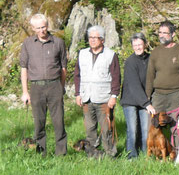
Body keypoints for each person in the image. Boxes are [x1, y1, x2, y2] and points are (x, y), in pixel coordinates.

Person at [19, 13, 68, 156]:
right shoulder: (28, 44)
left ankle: (61, 154)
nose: (42, 30)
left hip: (54, 86)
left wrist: (61, 87)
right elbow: (24, 69)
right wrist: (25, 92)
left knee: (58, 121)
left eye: (44, 26)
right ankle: (41, 153)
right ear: (33, 28)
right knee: (39, 122)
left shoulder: (58, 42)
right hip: (36, 87)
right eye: (39, 28)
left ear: (47, 26)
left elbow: (63, 68)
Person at [75, 25, 121, 157]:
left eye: (96, 38)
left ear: (102, 39)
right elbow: (77, 75)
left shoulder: (110, 55)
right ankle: (92, 153)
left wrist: (114, 96)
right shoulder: (82, 54)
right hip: (86, 98)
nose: (92, 40)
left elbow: (116, 77)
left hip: (104, 99)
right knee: (90, 129)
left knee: (106, 129)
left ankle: (110, 154)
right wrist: (78, 94)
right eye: (90, 37)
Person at [120, 33, 155, 159]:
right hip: (130, 100)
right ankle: (131, 157)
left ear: (145, 44)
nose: (138, 47)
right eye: (135, 45)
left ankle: (146, 155)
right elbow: (134, 86)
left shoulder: (151, 59)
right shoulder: (130, 62)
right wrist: (147, 104)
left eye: (140, 44)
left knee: (146, 130)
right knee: (132, 130)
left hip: (144, 99)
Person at [145, 21, 179, 115]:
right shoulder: (155, 52)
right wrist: (147, 97)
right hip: (157, 96)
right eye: (160, 32)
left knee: (176, 126)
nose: (161, 35)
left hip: (176, 95)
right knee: (154, 127)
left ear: (173, 34)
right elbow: (150, 76)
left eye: (165, 33)